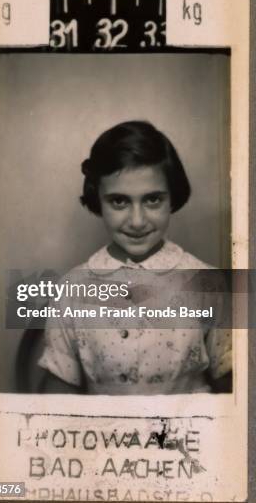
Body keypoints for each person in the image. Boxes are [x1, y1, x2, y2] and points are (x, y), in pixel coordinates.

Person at [38, 121, 232, 395]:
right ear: (98, 200)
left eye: (153, 200)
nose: (138, 221)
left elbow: (234, 389)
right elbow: (56, 397)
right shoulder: (72, 289)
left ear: (172, 197)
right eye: (119, 201)